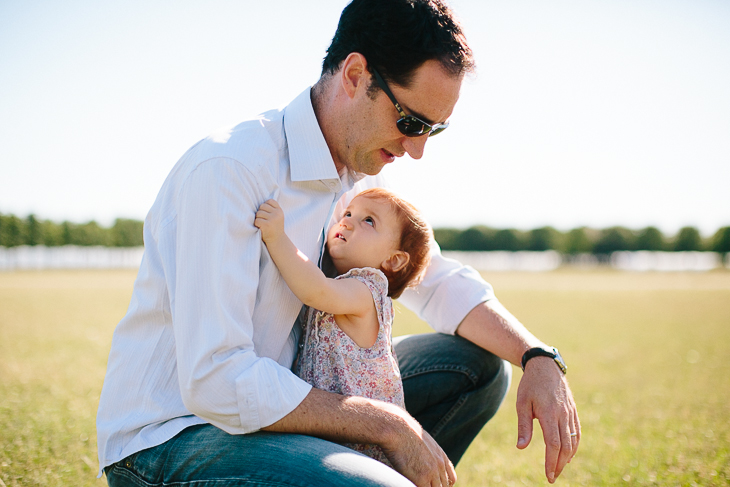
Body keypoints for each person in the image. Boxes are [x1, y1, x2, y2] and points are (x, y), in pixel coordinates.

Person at [97, 0, 580, 486]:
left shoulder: (354, 184)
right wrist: (390, 426)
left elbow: (433, 280)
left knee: (477, 367)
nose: (417, 150)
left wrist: (537, 357)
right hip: (171, 440)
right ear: (354, 75)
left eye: (435, 129)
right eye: (412, 122)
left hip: (282, 409)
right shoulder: (231, 170)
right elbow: (215, 382)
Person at [255, 188, 432, 466]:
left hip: (362, 442)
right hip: (334, 430)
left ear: (394, 260)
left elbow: (315, 291)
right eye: (348, 213)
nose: (347, 221)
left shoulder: (367, 290)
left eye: (368, 221)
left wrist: (277, 237)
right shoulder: (342, 283)